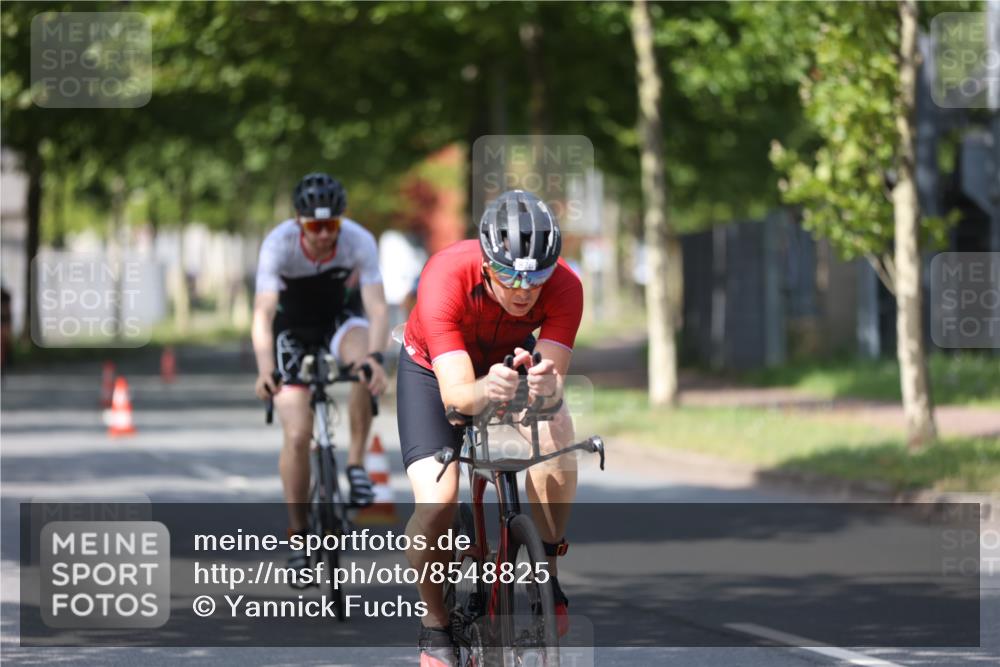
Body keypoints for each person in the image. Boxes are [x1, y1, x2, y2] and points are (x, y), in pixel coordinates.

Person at [396, 190, 583, 666]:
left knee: (558, 431)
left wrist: (541, 382)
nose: (523, 289)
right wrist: (486, 389)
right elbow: (457, 395)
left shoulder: (566, 286)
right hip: (433, 370)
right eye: (509, 275)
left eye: (536, 277)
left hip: (507, 359)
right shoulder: (444, 276)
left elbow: (553, 378)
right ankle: (435, 624)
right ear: (484, 264)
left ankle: (549, 573)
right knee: (437, 503)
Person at [252, 172, 389, 572]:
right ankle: (297, 534)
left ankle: (357, 464)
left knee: (363, 364)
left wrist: (376, 358)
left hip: (337, 322)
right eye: (316, 226)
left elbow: (378, 309)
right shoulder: (278, 244)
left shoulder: (359, 240)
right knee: (297, 434)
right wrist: (265, 370)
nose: (325, 235)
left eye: (332, 225)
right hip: (291, 329)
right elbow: (262, 313)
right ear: (299, 222)